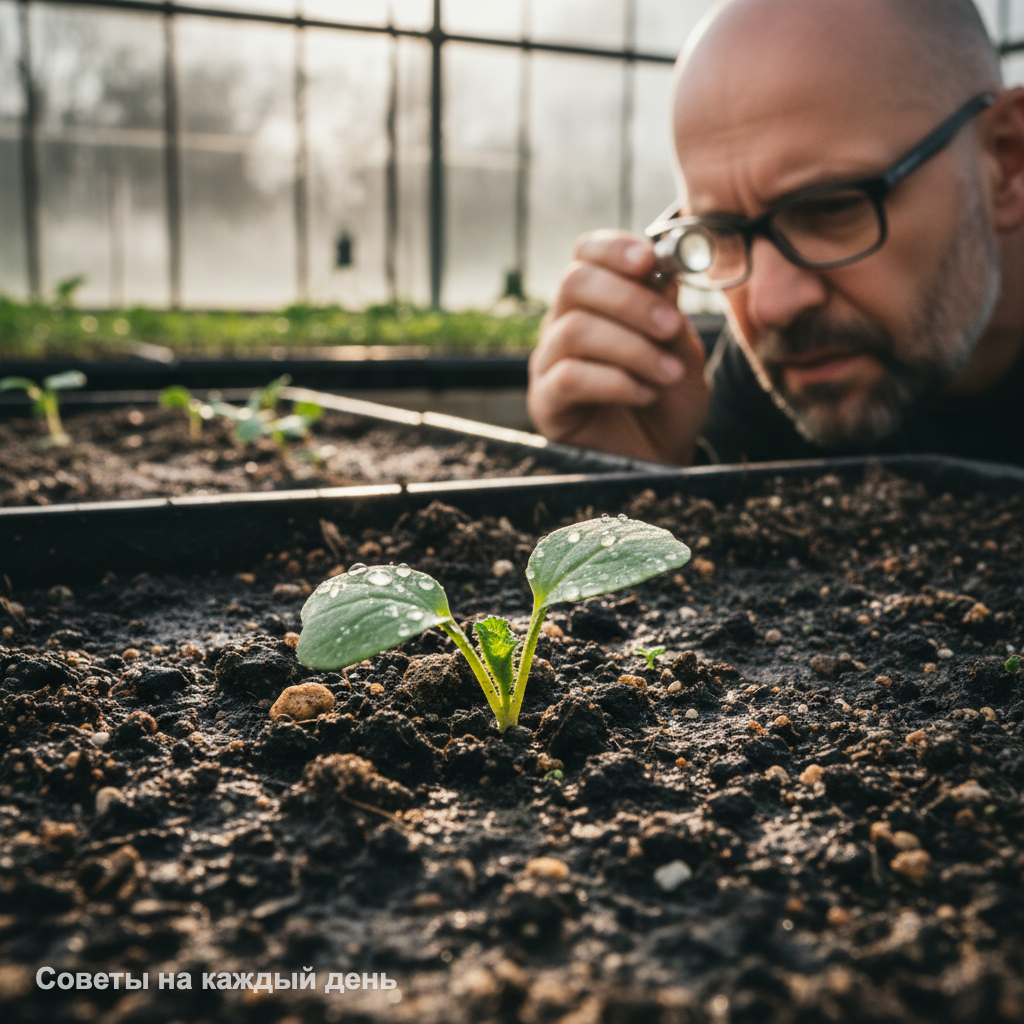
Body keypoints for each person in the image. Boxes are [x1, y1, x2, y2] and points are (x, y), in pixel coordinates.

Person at [527, 0, 1024, 467]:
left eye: (830, 208)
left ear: (1005, 161)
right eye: (720, 233)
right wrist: (641, 482)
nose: (768, 305)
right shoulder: (788, 370)